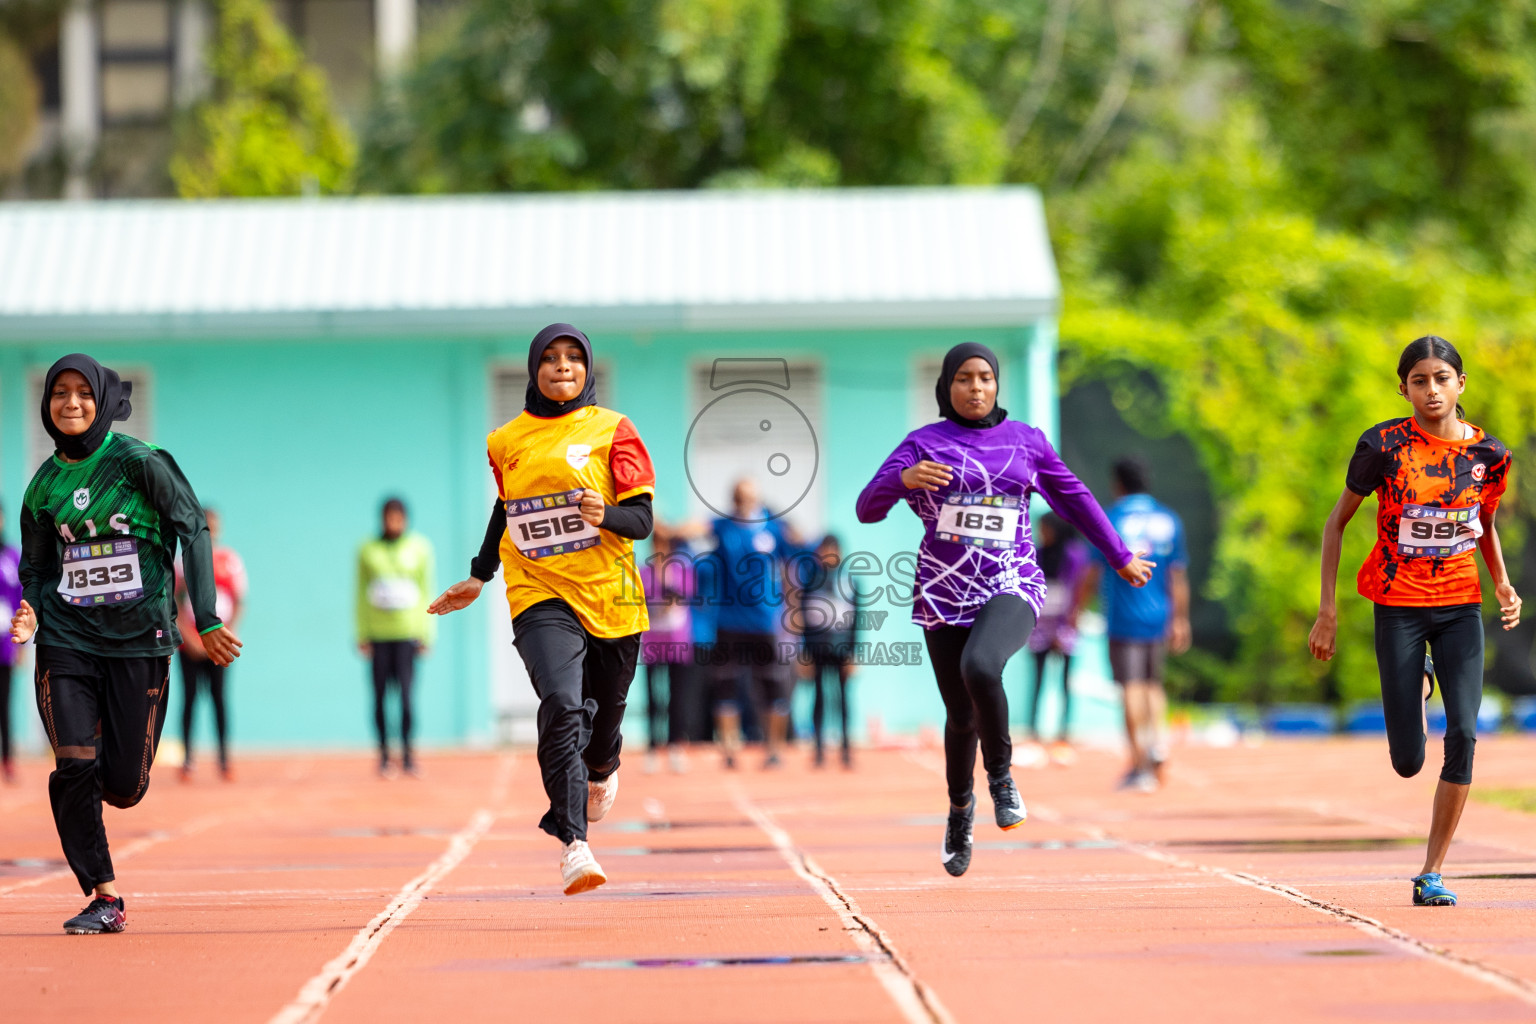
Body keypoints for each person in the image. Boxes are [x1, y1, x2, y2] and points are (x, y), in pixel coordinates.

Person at [856, 342, 1154, 878]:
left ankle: (1001, 777)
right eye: (965, 379)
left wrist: (1120, 556)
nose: (976, 388)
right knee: (960, 715)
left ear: (997, 386)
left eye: (986, 378)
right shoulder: (922, 445)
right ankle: (959, 811)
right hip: (944, 589)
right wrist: (899, 481)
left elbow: (1076, 499)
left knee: (980, 667)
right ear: (947, 387)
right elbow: (867, 509)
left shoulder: (1026, 442)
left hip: (1010, 579)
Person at [11, 354, 241, 934]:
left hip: (141, 639)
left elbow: (193, 526)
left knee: (123, 784)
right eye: (58, 393)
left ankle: (111, 780)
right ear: (46, 405)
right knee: (72, 764)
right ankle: (103, 895)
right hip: (66, 639)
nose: (70, 403)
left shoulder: (139, 463)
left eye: (81, 393)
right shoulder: (43, 486)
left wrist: (206, 618)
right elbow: (37, 567)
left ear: (102, 398)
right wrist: (32, 607)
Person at [428, 323, 655, 896]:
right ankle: (574, 844)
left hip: (610, 596)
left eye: (573, 358)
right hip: (538, 591)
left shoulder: (614, 431)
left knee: (603, 726)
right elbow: (507, 510)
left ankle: (603, 768)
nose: (561, 367)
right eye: (549, 358)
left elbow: (643, 520)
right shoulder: (506, 440)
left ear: (587, 369)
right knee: (560, 703)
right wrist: (481, 574)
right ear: (533, 369)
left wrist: (604, 513)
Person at [1309, 335, 1520, 908]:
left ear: (1461, 384)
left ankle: (1432, 870)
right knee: (1408, 761)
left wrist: (1500, 580)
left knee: (1466, 735)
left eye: (1441, 379)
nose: (1432, 390)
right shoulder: (1382, 446)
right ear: (1403, 387)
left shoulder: (1489, 456)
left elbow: (1485, 521)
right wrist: (1327, 612)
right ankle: (1417, 674)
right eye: (1420, 380)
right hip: (1398, 604)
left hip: (1459, 605)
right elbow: (1336, 525)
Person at [1079, 458, 1191, 792]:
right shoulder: (1169, 519)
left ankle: (1140, 762)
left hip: (1124, 615)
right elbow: (1178, 575)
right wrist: (1181, 619)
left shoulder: (1110, 519)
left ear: (1118, 485)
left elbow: (1091, 572)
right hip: (1159, 614)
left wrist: (1076, 609)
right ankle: (1158, 743)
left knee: (1130, 685)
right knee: (1152, 683)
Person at [707, 479, 800, 770]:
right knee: (726, 687)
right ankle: (729, 750)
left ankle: (774, 750)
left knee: (774, 687)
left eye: (750, 497)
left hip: (763, 622)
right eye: (739, 498)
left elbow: (797, 550)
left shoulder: (773, 527)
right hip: (729, 622)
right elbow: (694, 528)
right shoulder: (722, 527)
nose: (744, 502)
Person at [356, 497, 434, 779]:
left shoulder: (420, 548)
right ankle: (384, 755)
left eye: (398, 518)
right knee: (378, 697)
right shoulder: (367, 549)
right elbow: (360, 594)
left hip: (408, 634)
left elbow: (427, 589)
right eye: (389, 518)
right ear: (382, 519)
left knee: (406, 697)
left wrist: (426, 632)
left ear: (406, 519)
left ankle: (409, 754)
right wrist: (362, 633)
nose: (393, 523)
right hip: (378, 635)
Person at [176, 507, 247, 782]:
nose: (211, 531)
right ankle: (188, 759)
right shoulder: (184, 561)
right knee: (190, 700)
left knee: (219, 699)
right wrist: (189, 637)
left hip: (219, 644)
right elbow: (174, 602)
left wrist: (228, 634)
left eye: (215, 525)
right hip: (191, 645)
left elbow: (239, 601)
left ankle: (223, 759)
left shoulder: (231, 561)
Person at [1021, 513, 1089, 767]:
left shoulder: (1073, 554)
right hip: (1039, 623)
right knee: (1037, 679)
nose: (1042, 534)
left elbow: (1078, 587)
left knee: (1064, 682)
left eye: (1045, 529)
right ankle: (1033, 731)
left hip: (1066, 624)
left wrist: (1067, 624)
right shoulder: (1036, 553)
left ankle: (1064, 732)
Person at [797, 533, 858, 769]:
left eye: (833, 550)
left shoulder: (850, 580)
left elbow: (856, 621)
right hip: (817, 649)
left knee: (842, 699)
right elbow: (803, 619)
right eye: (824, 550)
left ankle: (845, 749)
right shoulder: (811, 580)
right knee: (819, 698)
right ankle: (819, 749)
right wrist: (804, 652)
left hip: (842, 648)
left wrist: (853, 653)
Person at [640, 521, 693, 774]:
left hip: (677, 641)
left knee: (677, 697)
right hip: (653, 641)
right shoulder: (643, 571)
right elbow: (641, 598)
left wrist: (667, 579)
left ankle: (674, 745)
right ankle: (652, 746)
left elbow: (683, 595)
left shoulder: (682, 569)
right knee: (654, 696)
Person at [0, 503, 20, 785]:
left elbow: (20, 597)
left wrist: (19, 643)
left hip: (4, 645)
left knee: (5, 705)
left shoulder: (11, 556)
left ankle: (8, 759)